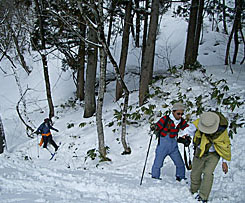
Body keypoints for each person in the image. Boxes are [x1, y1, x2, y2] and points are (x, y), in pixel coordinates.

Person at [187, 111, 231, 202]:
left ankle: (203, 197)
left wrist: (224, 161)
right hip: (200, 151)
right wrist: (186, 136)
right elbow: (189, 130)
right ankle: (194, 190)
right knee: (195, 172)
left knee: (208, 173)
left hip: (213, 154)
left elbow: (225, 145)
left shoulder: (222, 132)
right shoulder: (202, 121)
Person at [151, 102, 189, 181]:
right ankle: (155, 177)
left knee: (180, 163)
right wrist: (154, 127)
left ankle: (180, 177)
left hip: (173, 145)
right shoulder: (166, 119)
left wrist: (186, 136)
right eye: (178, 113)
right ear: (173, 112)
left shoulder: (181, 121)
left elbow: (187, 129)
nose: (180, 116)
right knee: (158, 163)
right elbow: (157, 126)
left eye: (182, 114)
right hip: (163, 144)